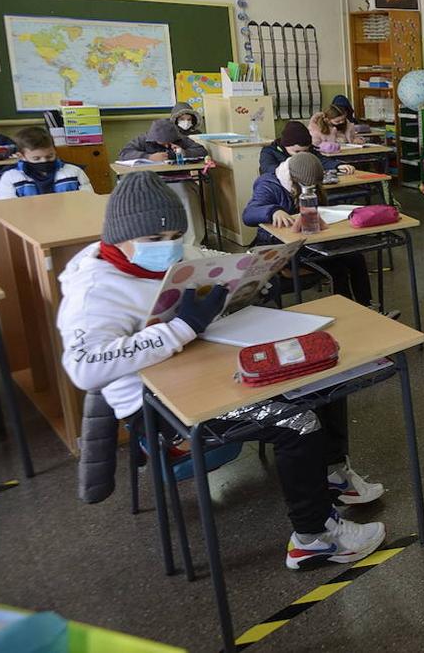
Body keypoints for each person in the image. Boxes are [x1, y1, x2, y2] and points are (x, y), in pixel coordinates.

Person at [56, 172, 385, 569]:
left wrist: (249, 284)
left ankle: (329, 475)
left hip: (205, 367)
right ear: (118, 239)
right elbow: (84, 368)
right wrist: (181, 329)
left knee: (320, 377)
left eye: (175, 235)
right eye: (154, 240)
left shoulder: (171, 255)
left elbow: (211, 279)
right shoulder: (95, 290)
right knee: (297, 423)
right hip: (159, 408)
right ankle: (314, 538)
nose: (169, 247)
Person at [243, 151, 374, 307]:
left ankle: (367, 306)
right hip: (284, 246)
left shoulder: (308, 185)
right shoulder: (269, 184)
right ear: (294, 179)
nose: (311, 189)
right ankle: (349, 311)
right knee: (337, 269)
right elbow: (248, 215)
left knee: (355, 257)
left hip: (310, 240)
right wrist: (272, 211)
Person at [119, 119, 210, 246]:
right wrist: (149, 157)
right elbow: (124, 154)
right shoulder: (142, 140)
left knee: (188, 195)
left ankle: (193, 243)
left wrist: (183, 152)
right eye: (163, 142)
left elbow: (201, 151)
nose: (167, 145)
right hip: (152, 183)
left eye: (169, 142)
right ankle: (156, 241)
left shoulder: (181, 139)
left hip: (180, 180)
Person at [0, 126, 91, 199]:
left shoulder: (74, 172)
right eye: (36, 158)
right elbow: (8, 210)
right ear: (21, 156)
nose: (44, 161)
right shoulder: (11, 178)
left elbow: (88, 201)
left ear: (55, 150)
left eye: (49, 156)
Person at [259, 120, 354, 177]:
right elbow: (269, 169)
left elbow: (321, 160)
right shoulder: (269, 152)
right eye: (297, 151)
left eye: (305, 151)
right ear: (285, 145)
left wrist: (337, 165)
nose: (302, 155)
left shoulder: (311, 150)